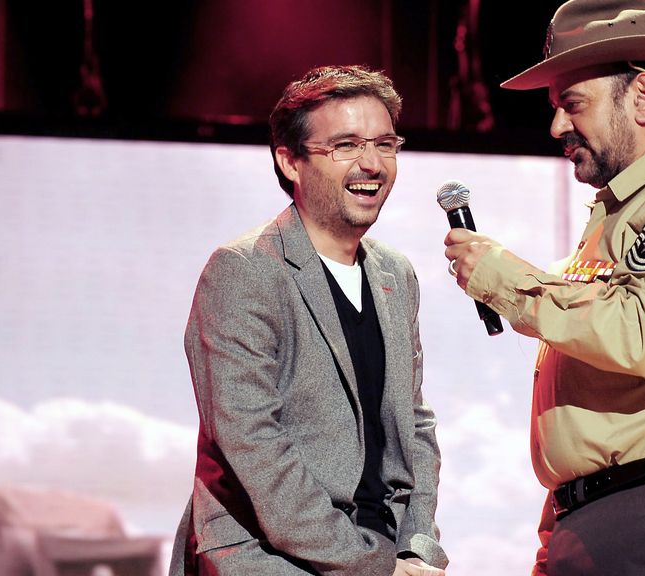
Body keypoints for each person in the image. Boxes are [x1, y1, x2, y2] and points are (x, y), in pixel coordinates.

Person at [443, 1, 645, 574]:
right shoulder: (616, 215)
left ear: (642, 98)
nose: (556, 127)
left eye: (573, 104)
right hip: (593, 523)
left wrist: (507, 281)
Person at [169, 65, 448, 576]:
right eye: (346, 146)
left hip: (383, 550)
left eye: (385, 144)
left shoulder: (395, 273)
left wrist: (417, 547)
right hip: (267, 557)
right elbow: (255, 445)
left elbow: (414, 425)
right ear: (290, 161)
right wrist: (375, 566)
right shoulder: (245, 270)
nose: (372, 164)